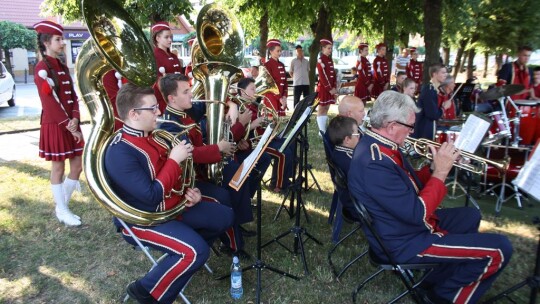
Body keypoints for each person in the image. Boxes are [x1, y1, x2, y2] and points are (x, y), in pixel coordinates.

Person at [349, 90, 513, 304]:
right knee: (500, 249)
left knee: (470, 216)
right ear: (391, 126)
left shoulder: (379, 145)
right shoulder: (375, 161)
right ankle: (446, 298)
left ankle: (438, 282)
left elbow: (405, 184)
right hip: (405, 241)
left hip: (402, 227)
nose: (412, 132)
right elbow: (417, 214)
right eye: (410, 127)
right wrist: (441, 173)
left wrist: (433, 168)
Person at [104, 83, 234, 304]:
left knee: (225, 217)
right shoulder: (120, 151)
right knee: (195, 251)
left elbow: (175, 177)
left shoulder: (154, 135)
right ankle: (145, 291)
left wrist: (190, 192)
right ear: (133, 114)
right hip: (144, 220)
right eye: (152, 109)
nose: (158, 112)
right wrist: (174, 159)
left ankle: (183, 262)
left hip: (174, 208)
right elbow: (151, 196)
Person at [158, 74, 254, 258]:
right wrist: (218, 148)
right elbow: (190, 153)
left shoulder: (186, 109)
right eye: (186, 92)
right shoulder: (170, 124)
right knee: (224, 193)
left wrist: (231, 105)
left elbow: (216, 99)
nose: (191, 96)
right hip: (192, 178)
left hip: (204, 168)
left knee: (238, 173)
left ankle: (237, 226)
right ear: (172, 98)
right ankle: (232, 243)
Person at [33, 21, 84, 227]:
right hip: (56, 124)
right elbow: (49, 103)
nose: (62, 43)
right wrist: (68, 124)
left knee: (77, 166)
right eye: (58, 39)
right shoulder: (41, 68)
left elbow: (73, 95)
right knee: (57, 168)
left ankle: (61, 206)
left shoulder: (62, 66)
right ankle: (63, 209)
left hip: (70, 122)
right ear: (46, 42)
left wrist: (75, 118)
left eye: (61, 39)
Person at [234, 77, 295, 194]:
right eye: (252, 89)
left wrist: (267, 122)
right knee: (283, 153)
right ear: (242, 92)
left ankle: (285, 179)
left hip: (261, 139)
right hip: (252, 144)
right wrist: (253, 125)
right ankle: (278, 186)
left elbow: (258, 126)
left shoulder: (254, 105)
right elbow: (237, 131)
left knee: (290, 143)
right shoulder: (239, 106)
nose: (255, 92)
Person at [326, 116, 361, 220]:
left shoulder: (339, 153)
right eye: (357, 134)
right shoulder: (349, 161)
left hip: (351, 201)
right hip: (358, 207)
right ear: (347, 140)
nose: (359, 136)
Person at [151, 21, 184, 113]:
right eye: (166, 37)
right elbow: (158, 82)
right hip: (165, 102)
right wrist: (170, 102)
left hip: (177, 100)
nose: (170, 40)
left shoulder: (173, 56)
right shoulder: (154, 56)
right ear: (157, 38)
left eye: (171, 37)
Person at [413, 63, 451, 140]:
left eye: (446, 72)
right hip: (424, 131)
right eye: (443, 72)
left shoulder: (433, 90)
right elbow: (432, 115)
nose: (446, 75)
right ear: (434, 74)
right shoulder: (429, 90)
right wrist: (444, 108)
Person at [316, 38, 337, 133]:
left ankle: (323, 129)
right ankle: (321, 131)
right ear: (323, 49)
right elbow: (322, 76)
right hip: (324, 89)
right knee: (321, 108)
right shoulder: (321, 60)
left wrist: (334, 87)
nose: (330, 50)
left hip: (330, 89)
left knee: (327, 107)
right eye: (328, 48)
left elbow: (333, 75)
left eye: (331, 48)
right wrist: (329, 88)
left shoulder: (329, 60)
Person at [264, 39, 288, 116]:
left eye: (280, 51)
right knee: (272, 122)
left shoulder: (281, 65)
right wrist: (279, 98)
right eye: (278, 51)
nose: (280, 53)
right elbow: (269, 84)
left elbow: (285, 82)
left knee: (280, 122)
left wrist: (284, 96)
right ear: (271, 52)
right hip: (271, 98)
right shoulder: (267, 65)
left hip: (281, 97)